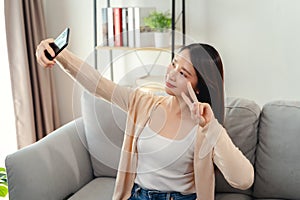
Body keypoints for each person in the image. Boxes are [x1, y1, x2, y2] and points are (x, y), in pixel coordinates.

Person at [36, 39, 254, 200]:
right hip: (137, 196)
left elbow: (243, 179)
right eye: (173, 63)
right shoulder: (143, 103)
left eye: (184, 73)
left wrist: (212, 127)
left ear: (199, 87)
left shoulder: (205, 126)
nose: (171, 73)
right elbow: (98, 84)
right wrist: (59, 54)